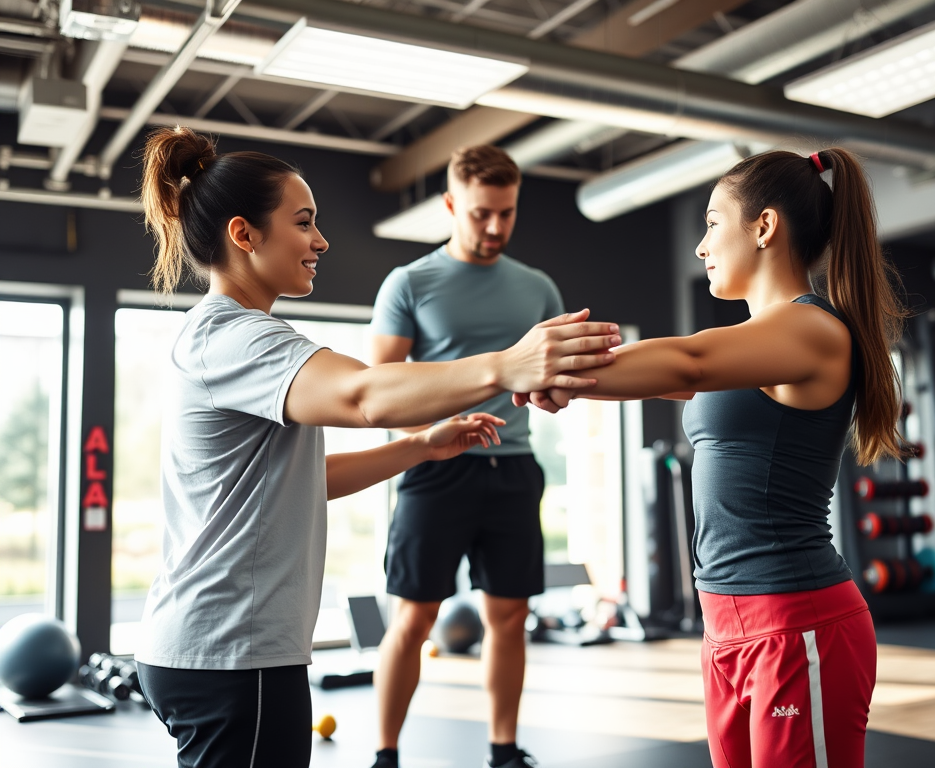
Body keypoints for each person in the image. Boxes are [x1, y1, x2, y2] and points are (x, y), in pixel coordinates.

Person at [131, 126, 621, 768]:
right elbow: (365, 394)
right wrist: (507, 365)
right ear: (244, 234)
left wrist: (419, 447)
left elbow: (305, 478)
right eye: (303, 222)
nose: (320, 240)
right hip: (231, 649)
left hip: (219, 647)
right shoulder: (236, 338)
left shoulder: (235, 335)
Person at [525, 148, 903, 768]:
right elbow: (663, 377)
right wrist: (559, 379)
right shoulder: (752, 354)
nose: (701, 246)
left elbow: (687, 361)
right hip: (723, 624)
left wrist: (550, 365)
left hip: (795, 620)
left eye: (711, 223)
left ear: (764, 226)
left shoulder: (811, 331)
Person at [368, 146, 563, 768]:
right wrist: (432, 431)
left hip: (513, 467)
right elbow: (379, 389)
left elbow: (554, 375)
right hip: (435, 468)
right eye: (482, 213)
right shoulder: (410, 283)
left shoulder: (537, 288)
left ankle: (503, 751)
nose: (496, 226)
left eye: (507, 212)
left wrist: (558, 387)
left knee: (509, 617)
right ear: (452, 205)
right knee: (413, 619)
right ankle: (385, 755)